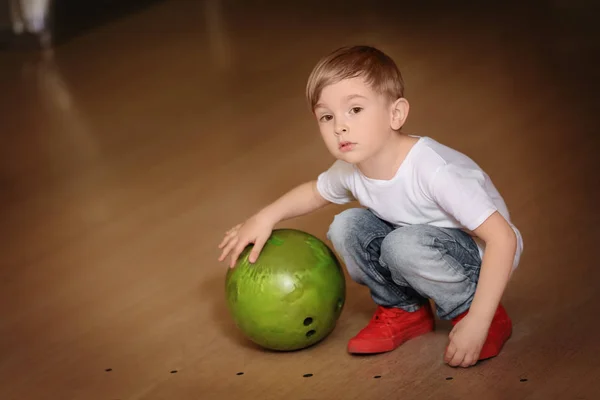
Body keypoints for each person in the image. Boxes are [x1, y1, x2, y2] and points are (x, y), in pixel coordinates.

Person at [218, 45, 523, 368]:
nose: (340, 127)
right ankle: (404, 310)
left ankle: (477, 314)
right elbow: (315, 191)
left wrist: (478, 320)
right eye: (327, 116)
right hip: (413, 245)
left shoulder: (434, 171)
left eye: (355, 110)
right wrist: (264, 217)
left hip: (477, 262)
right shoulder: (354, 166)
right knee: (346, 226)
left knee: (401, 245)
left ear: (396, 114)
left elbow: (503, 240)